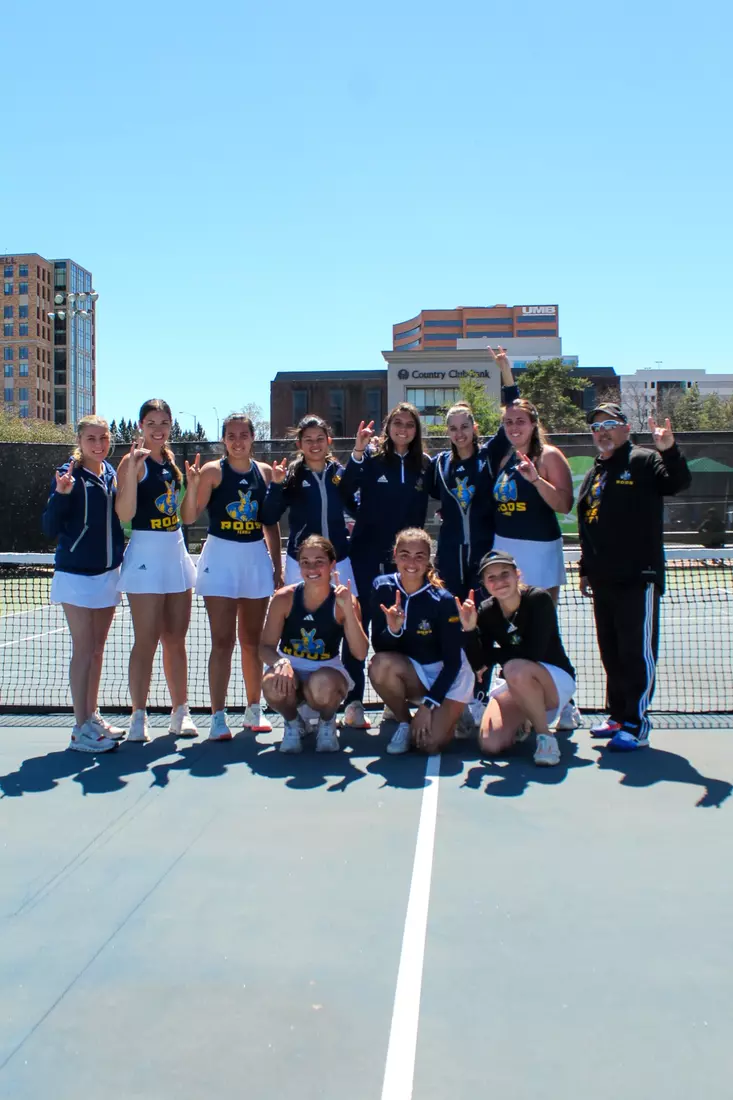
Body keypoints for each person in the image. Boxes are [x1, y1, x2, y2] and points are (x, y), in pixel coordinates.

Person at [577, 404, 691, 750]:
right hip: (603, 580)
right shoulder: (596, 472)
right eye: (597, 427)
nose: (603, 432)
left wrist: (669, 448)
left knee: (634, 653)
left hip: (637, 578)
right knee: (610, 652)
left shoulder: (643, 460)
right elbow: (589, 523)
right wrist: (586, 569)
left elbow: (678, 481)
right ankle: (617, 715)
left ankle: (637, 723)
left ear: (626, 429)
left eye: (610, 425)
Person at [181, 412, 282, 741]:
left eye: (244, 434)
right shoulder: (212, 472)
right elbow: (189, 515)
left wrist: (277, 567)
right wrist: (193, 485)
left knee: (252, 643)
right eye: (231, 435)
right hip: (221, 559)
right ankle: (218, 716)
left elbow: (270, 523)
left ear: (253, 438)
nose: (238, 440)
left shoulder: (265, 473)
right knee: (222, 642)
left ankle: (254, 710)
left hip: (255, 559)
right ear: (223, 440)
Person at [338, 403, 432, 728]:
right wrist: (359, 450)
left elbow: (447, 494)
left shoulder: (426, 466)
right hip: (365, 558)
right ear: (388, 427)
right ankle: (353, 702)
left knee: (399, 626)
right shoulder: (373, 461)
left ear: (416, 430)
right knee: (358, 625)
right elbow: (346, 490)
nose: (403, 429)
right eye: (397, 423)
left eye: (409, 424)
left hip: (406, 566)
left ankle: (397, 699)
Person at [491, 397, 579, 731]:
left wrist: (536, 480)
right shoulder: (503, 457)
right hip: (505, 550)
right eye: (508, 422)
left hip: (540, 550)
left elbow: (564, 503)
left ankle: (565, 702)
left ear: (533, 423)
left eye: (520, 421)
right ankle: (521, 695)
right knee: (511, 629)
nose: (514, 427)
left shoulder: (549, 456)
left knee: (543, 630)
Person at [41, 415, 126, 753]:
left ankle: (91, 715)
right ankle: (79, 730)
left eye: (103, 438)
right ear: (79, 441)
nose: (98, 444)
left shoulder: (110, 474)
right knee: (83, 649)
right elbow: (49, 527)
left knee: (97, 650)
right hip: (75, 575)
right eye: (91, 438)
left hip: (108, 573)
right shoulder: (68, 475)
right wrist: (61, 495)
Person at [116, 399, 197, 743]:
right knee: (146, 641)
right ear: (140, 426)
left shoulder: (171, 465)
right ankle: (139, 715)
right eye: (152, 422)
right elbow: (125, 513)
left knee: (175, 640)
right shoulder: (131, 461)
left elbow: (188, 517)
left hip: (175, 551)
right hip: (145, 553)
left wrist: (191, 484)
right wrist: (133, 473)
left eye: (164, 422)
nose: (159, 428)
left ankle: (181, 712)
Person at [456, 550, 576, 767]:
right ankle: (526, 718)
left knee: (514, 668)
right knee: (490, 744)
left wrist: (494, 657)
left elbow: (533, 653)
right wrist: (470, 629)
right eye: (491, 578)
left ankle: (545, 737)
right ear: (484, 584)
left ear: (517, 574)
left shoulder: (538, 599)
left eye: (505, 574)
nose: (499, 582)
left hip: (554, 680)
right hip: (516, 679)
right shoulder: (486, 611)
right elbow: (479, 662)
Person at [368, 528, 475, 754]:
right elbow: (379, 646)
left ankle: (453, 709)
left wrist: (428, 706)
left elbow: (453, 663)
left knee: (429, 745)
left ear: (429, 559)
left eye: (420, 556)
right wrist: (394, 630)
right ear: (395, 555)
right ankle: (405, 722)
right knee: (379, 665)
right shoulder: (382, 587)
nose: (412, 563)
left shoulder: (442, 599)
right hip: (413, 671)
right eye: (405, 554)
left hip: (449, 675)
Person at [260, 535, 368, 754]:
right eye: (305, 562)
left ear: (332, 565)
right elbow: (265, 646)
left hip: (326, 674)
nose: (312, 568)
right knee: (272, 683)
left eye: (319, 561)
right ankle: (293, 724)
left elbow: (359, 652)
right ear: (299, 566)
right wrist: (280, 662)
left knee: (323, 683)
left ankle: (327, 723)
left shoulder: (345, 600)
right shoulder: (283, 598)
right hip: (290, 673)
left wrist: (348, 609)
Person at [429, 347, 518, 599]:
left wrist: (506, 375)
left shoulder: (488, 456)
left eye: (465, 427)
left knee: (484, 616)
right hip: (449, 553)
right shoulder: (438, 464)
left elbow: (512, 416)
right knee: (453, 616)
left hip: (485, 551)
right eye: (453, 428)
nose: (460, 433)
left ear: (474, 427)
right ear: (447, 432)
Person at [261, 414, 357, 589]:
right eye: (308, 440)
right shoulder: (291, 476)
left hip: (339, 561)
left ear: (328, 441)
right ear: (299, 444)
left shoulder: (339, 473)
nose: (315, 445)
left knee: (346, 613)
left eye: (320, 439)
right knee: (300, 614)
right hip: (301, 563)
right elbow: (268, 516)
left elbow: (356, 509)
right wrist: (275, 484)